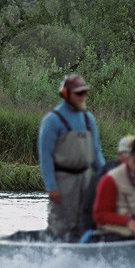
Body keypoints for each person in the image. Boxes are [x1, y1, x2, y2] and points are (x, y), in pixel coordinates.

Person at [37, 74, 106, 241]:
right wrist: (51, 186)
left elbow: (96, 152)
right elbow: (45, 155)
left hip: (86, 178)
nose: (82, 97)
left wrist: (106, 177)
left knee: (87, 221)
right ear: (66, 94)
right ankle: (52, 253)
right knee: (61, 222)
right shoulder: (52, 120)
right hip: (63, 180)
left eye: (84, 93)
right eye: (78, 93)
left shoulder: (88, 119)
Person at [79, 134, 135, 234]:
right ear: (120, 155)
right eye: (129, 154)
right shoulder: (106, 178)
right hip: (99, 227)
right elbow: (94, 213)